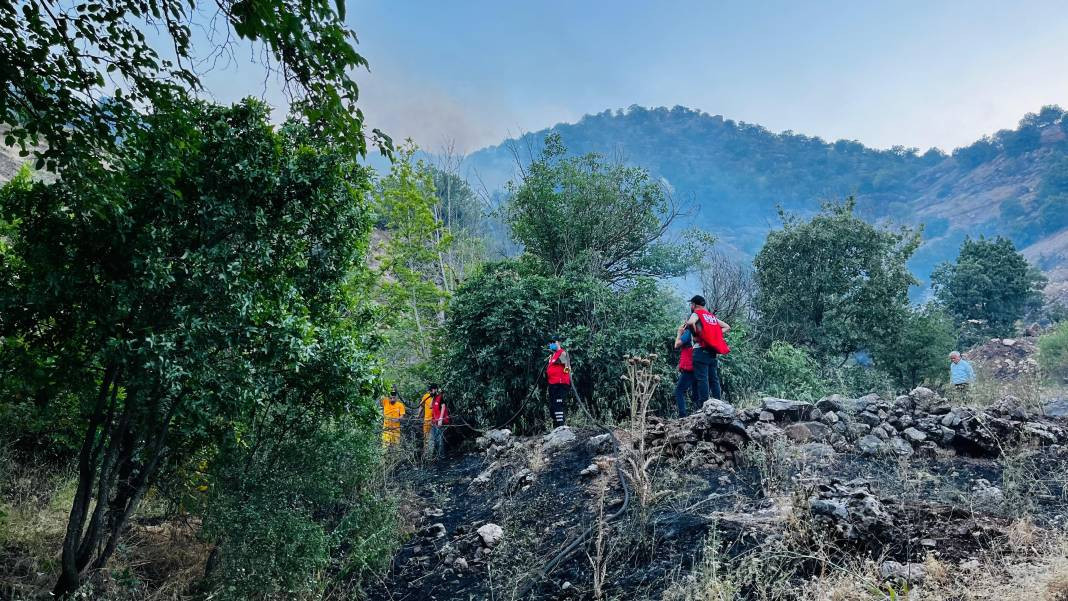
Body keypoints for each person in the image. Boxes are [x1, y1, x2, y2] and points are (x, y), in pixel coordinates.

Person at [684, 295, 731, 405]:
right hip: (712, 352)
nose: (691, 306)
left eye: (691, 304)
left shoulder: (696, 314)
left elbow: (691, 323)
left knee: (702, 379)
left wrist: (696, 334)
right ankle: (719, 405)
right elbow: (727, 327)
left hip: (700, 350)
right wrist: (713, 335)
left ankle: (704, 406)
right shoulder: (711, 317)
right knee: (714, 379)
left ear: (694, 305)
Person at [546, 335, 571, 427]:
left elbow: (567, 366)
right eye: (550, 343)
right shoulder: (553, 355)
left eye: (554, 342)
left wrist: (565, 371)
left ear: (559, 343)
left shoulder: (561, 353)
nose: (551, 344)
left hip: (560, 384)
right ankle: (556, 427)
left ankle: (561, 426)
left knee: (558, 404)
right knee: (553, 406)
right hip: (553, 384)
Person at [674, 324, 698, 417]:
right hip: (699, 365)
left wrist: (679, 333)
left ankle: (682, 416)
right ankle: (698, 413)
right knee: (696, 392)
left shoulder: (688, 333)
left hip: (689, 367)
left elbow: (677, 344)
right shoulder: (698, 333)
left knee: (679, 391)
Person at [420, 384, 440, 455]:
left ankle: (432, 455)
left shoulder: (438, 397)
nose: (432, 391)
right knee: (426, 438)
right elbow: (421, 405)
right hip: (426, 420)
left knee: (434, 439)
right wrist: (419, 415)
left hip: (434, 421)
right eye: (431, 389)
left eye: (433, 389)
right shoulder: (426, 396)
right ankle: (426, 455)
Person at [429, 390, 450, 458]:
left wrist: (441, 419)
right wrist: (432, 397)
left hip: (441, 421)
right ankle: (436, 455)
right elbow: (430, 406)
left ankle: (442, 455)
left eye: (430, 391)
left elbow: (443, 407)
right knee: (435, 438)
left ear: (434, 389)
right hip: (435, 421)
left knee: (439, 438)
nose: (429, 392)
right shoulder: (434, 398)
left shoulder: (440, 397)